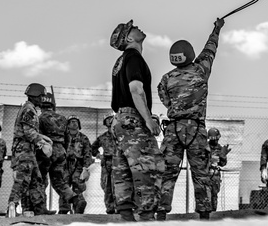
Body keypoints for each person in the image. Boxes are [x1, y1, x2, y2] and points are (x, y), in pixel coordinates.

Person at [157, 18, 224, 220]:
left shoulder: (166, 78)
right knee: (201, 173)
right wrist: (216, 29)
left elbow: (166, 101)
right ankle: (204, 214)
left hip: (174, 129)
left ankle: (160, 212)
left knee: (167, 172)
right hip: (196, 129)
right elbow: (210, 49)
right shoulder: (201, 70)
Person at [109, 19, 165, 221]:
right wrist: (149, 120)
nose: (137, 26)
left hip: (119, 120)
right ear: (129, 38)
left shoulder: (120, 61)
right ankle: (147, 217)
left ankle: (126, 217)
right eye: (132, 28)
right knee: (148, 168)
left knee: (122, 170)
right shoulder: (134, 57)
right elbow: (135, 89)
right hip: (133, 119)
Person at [5, 83, 53, 218]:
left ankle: (39, 208)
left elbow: (28, 130)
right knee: (23, 179)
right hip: (24, 150)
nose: (43, 99)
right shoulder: (29, 110)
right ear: (35, 96)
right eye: (41, 96)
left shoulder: (29, 109)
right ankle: (11, 206)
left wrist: (41, 138)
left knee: (36, 179)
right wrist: (41, 143)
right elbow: (29, 132)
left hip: (27, 150)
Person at [36, 93, 75, 214]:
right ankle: (75, 198)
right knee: (59, 179)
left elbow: (37, 136)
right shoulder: (62, 118)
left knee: (40, 180)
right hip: (60, 150)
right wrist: (63, 149)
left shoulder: (40, 118)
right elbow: (68, 137)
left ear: (41, 105)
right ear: (53, 105)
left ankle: (41, 208)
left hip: (46, 151)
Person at [63, 117, 93, 214]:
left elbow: (88, 153)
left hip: (78, 165)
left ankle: (78, 207)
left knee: (78, 184)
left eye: (76, 121)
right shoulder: (63, 137)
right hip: (65, 165)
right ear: (68, 125)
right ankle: (64, 209)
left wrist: (86, 168)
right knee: (64, 185)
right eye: (71, 122)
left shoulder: (83, 138)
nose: (74, 123)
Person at [91, 115, 117, 214]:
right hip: (107, 163)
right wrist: (98, 155)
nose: (110, 121)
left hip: (119, 162)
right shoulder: (102, 137)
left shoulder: (121, 135)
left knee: (118, 186)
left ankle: (120, 207)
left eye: (112, 119)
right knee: (106, 185)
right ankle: (110, 208)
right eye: (107, 120)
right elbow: (93, 148)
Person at [205, 128, 229, 213]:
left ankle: (213, 214)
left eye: (217, 139)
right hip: (206, 175)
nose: (216, 141)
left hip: (215, 176)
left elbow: (223, 164)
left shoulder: (220, 148)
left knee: (214, 196)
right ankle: (206, 214)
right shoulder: (205, 148)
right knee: (206, 196)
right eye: (214, 139)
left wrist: (223, 156)